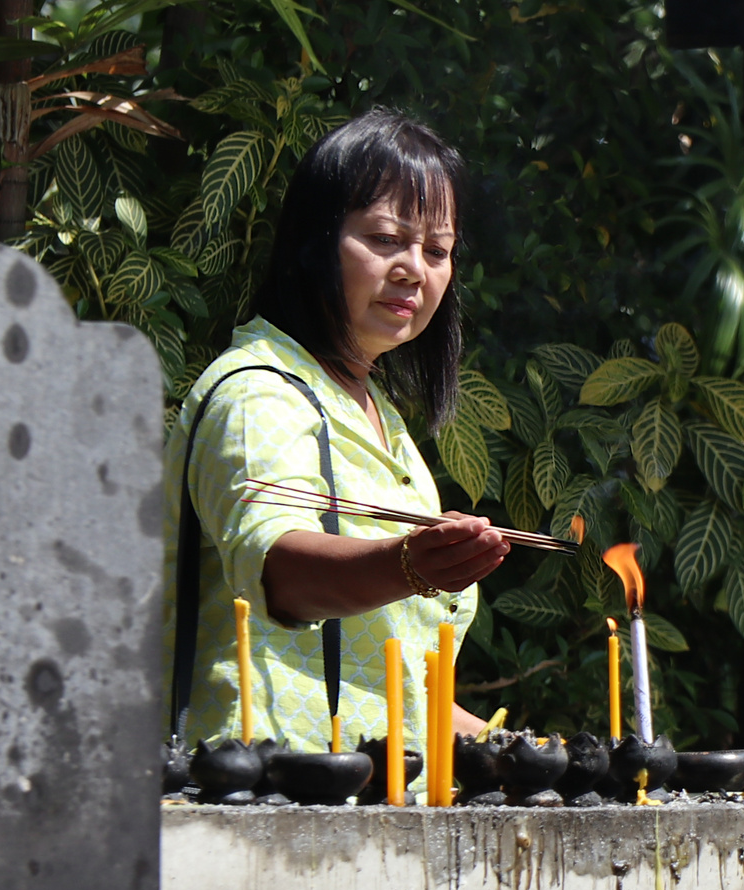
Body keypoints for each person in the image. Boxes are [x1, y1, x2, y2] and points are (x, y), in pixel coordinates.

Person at [162, 109, 508, 756]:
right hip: (256, 804)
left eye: (437, 250)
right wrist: (410, 564)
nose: (414, 269)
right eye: (384, 239)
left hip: (365, 810)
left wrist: (511, 746)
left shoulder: (381, 422)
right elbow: (279, 572)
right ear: (313, 241)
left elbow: (391, 689)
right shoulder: (256, 392)